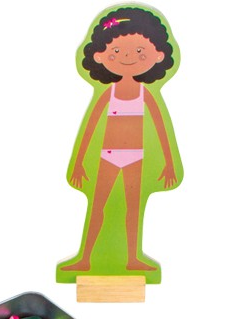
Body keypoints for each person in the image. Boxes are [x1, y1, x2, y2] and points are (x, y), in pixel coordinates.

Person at [61, 6, 181, 273]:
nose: (128, 56)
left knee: (132, 210)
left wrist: (169, 163)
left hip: (136, 157)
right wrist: (78, 163)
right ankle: (86, 259)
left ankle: (131, 258)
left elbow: (161, 129)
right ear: (101, 56)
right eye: (116, 50)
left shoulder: (145, 95)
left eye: (139, 51)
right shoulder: (109, 93)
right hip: (107, 156)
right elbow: (91, 127)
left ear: (158, 55)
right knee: (98, 207)